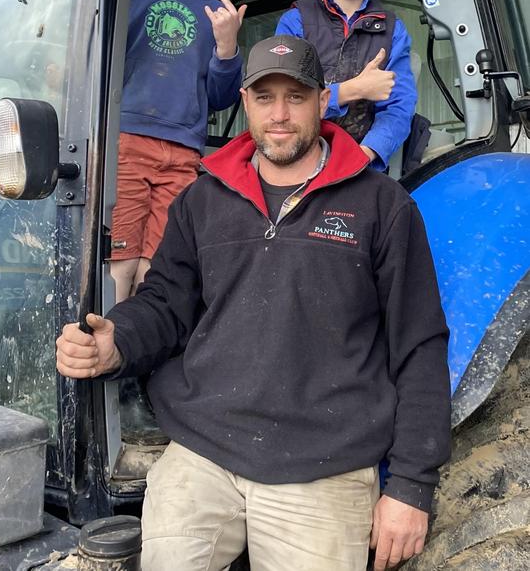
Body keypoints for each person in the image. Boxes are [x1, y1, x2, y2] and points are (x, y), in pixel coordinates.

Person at [57, 35, 451, 571]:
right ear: (246, 104)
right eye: (265, 98)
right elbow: (168, 303)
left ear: (321, 100)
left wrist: (410, 485)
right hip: (204, 451)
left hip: (323, 462)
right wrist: (116, 340)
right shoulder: (203, 199)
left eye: (297, 96)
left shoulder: (382, 206)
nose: (281, 114)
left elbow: (420, 345)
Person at [111, 0, 245, 301]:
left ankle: (138, 345)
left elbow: (222, 98)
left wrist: (228, 46)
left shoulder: (212, 9)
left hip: (184, 150)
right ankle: (106, 350)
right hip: (129, 139)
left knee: (159, 260)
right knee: (120, 258)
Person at [276, 0, 417, 171]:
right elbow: (285, 101)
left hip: (362, 167)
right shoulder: (295, 21)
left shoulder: (393, 30)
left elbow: (399, 108)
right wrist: (354, 89)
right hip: (296, 163)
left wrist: (366, 154)